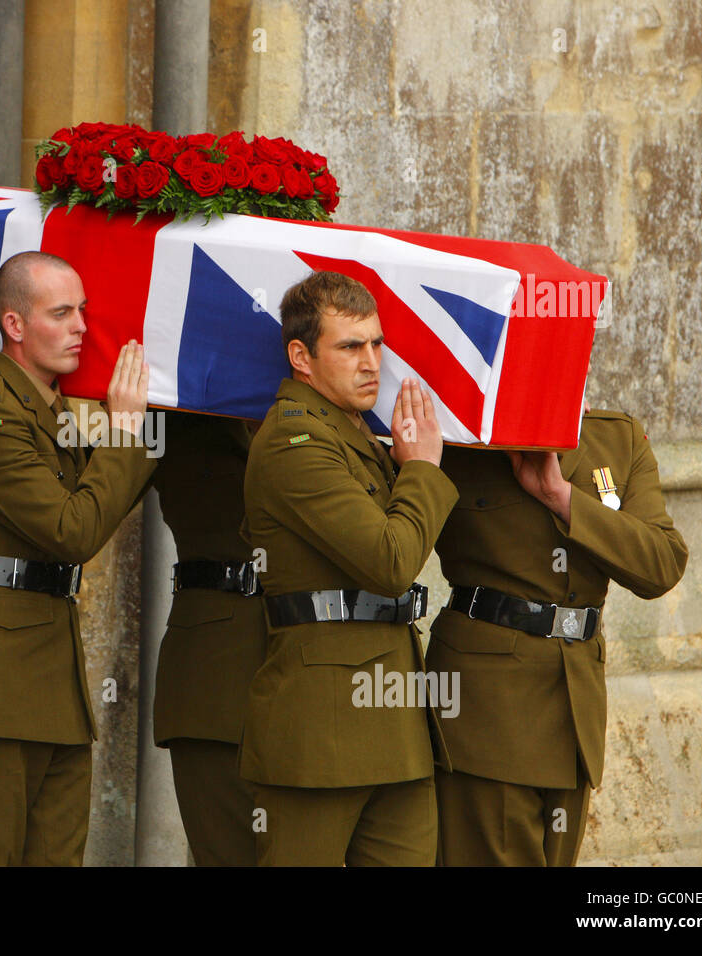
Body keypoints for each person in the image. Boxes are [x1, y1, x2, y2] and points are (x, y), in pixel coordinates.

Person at [0, 250, 156, 866]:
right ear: (15, 325)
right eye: (62, 312)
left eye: (84, 310)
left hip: (52, 684)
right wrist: (124, 433)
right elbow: (72, 527)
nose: (82, 326)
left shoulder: (48, 412)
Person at [240, 270, 457, 866]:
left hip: (394, 716)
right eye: (350, 346)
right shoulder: (294, 440)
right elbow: (389, 561)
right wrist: (421, 470)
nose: (372, 363)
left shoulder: (353, 433)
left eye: (377, 344)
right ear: (301, 357)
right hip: (321, 727)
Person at [429, 402, 688, 866]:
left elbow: (661, 564)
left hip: (575, 710)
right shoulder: (460, 430)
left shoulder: (617, 437)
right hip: (489, 712)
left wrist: (561, 497)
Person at [151, 411, 267, 866]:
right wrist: (124, 427)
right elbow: (83, 517)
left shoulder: (351, 422)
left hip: (322, 677)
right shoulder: (177, 408)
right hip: (213, 679)